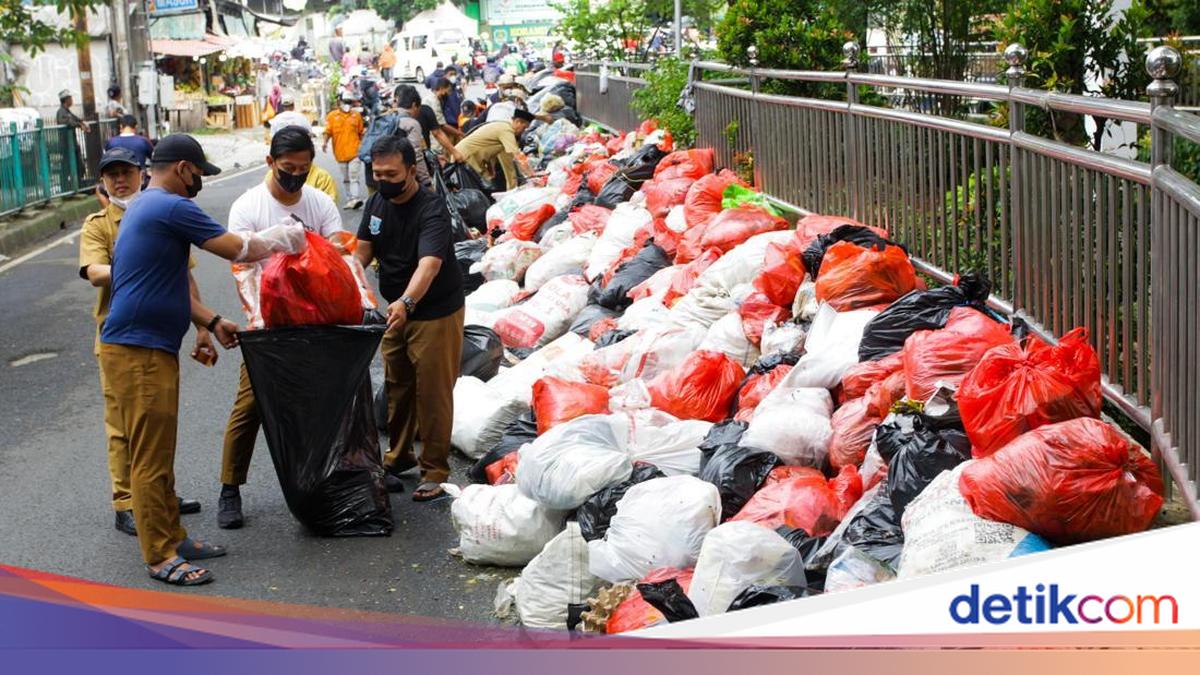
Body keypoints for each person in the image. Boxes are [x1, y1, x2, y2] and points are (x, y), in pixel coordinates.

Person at [100, 133, 306, 586]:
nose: (200, 185)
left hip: (142, 346)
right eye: (199, 175)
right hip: (137, 349)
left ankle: (173, 535)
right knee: (150, 457)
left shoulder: (143, 209)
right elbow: (238, 249)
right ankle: (159, 554)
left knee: (160, 449)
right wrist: (283, 238)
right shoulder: (169, 205)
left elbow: (163, 282)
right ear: (182, 169)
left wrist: (211, 321)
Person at [218, 128, 344, 529]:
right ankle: (229, 488)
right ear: (270, 162)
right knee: (251, 405)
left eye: (303, 169)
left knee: (331, 399)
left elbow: (338, 254)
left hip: (318, 321)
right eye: (288, 168)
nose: (295, 176)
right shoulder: (248, 206)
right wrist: (274, 247)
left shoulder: (319, 203)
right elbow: (242, 266)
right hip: (267, 323)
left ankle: (339, 475)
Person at [80, 147, 205, 537]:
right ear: (102, 182)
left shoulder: (163, 210)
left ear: (142, 173)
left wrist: (204, 324)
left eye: (126, 172)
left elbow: (184, 276)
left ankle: (158, 497)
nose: (120, 180)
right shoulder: (99, 224)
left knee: (159, 425)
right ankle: (126, 502)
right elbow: (93, 271)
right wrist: (136, 267)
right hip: (120, 336)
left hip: (161, 336)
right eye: (111, 174)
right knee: (123, 426)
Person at [354, 136, 464, 502]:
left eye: (391, 173)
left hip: (433, 310)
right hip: (395, 311)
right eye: (377, 173)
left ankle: (434, 469)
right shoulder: (376, 203)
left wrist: (406, 301)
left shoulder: (430, 209)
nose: (383, 180)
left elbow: (429, 265)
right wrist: (351, 287)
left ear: (411, 170)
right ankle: (399, 456)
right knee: (396, 384)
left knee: (431, 391)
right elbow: (363, 252)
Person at [454, 108, 533, 192]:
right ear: (518, 122)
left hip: (468, 156)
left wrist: (490, 169)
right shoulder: (506, 130)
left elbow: (489, 149)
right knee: (477, 192)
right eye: (524, 128)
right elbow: (517, 156)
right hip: (465, 158)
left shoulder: (502, 127)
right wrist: (532, 176)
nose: (523, 131)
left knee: (486, 187)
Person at [400, 85, 465, 164]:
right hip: (414, 163)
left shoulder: (390, 119)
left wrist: (433, 156)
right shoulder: (416, 120)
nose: (418, 113)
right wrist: (455, 153)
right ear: (414, 105)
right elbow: (437, 134)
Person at [323, 93, 367, 209]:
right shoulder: (332, 116)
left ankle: (355, 198)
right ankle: (349, 199)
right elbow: (328, 132)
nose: (347, 104)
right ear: (339, 102)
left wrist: (364, 146)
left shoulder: (356, 115)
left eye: (349, 102)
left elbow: (361, 132)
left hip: (355, 152)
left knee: (354, 176)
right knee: (346, 179)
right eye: (345, 101)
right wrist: (324, 143)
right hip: (340, 153)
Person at [390, 85, 432, 188]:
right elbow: (417, 155)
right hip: (398, 178)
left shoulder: (386, 116)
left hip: (375, 175)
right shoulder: (411, 123)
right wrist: (427, 182)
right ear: (414, 105)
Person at [425, 78, 464, 146]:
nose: (448, 94)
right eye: (448, 91)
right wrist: (459, 133)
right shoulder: (434, 101)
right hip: (434, 138)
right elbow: (442, 125)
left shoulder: (432, 97)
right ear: (441, 88)